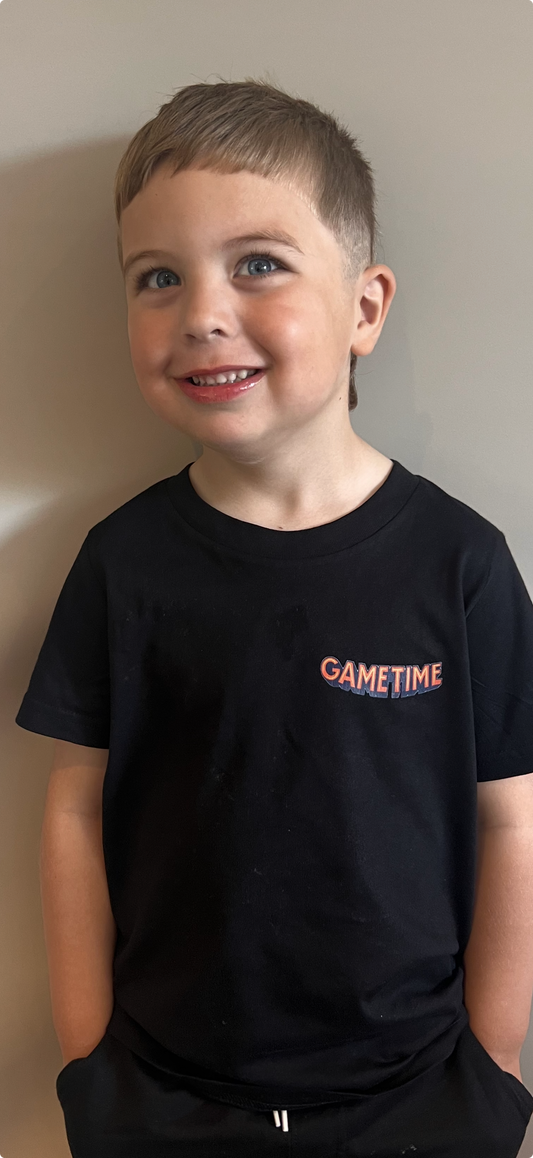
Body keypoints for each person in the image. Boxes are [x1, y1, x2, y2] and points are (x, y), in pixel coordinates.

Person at [16, 76, 533, 1157]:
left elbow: (509, 822)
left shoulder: (461, 566)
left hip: (414, 1100)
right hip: (161, 1097)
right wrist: (85, 1062)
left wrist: (491, 1071)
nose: (201, 313)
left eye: (256, 263)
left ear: (364, 310)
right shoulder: (122, 563)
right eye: (157, 276)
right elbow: (71, 809)